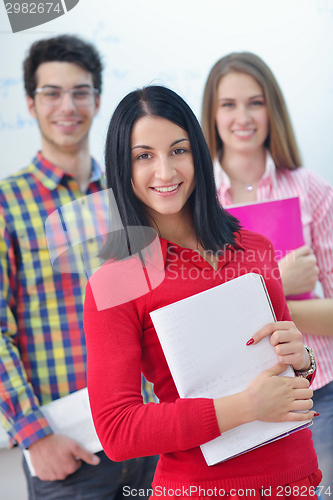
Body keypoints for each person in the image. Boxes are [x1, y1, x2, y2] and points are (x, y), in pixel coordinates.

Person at [84, 85, 321, 500]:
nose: (165, 171)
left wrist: (302, 359)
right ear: (122, 168)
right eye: (144, 156)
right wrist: (246, 407)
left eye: (178, 150)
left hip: (297, 480)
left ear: (198, 152)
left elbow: (290, 379)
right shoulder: (115, 282)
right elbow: (117, 430)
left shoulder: (256, 248)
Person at [0, 35, 157, 500]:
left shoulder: (130, 191)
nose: (67, 105)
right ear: (31, 102)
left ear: (97, 99)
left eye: (80, 91)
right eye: (51, 92)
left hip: (150, 436)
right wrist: (34, 436)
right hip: (71, 452)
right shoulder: (7, 203)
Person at [201, 52, 333, 498]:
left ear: (271, 109)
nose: (243, 117)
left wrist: (277, 300)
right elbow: (201, 315)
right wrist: (278, 279)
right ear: (211, 114)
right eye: (228, 104)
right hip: (233, 403)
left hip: (318, 392)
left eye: (255, 103)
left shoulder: (311, 189)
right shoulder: (194, 205)